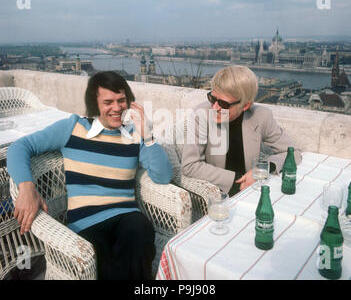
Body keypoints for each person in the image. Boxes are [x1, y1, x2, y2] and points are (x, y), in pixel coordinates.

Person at [7, 71, 173, 280]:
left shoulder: (134, 134)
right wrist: (26, 187)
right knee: (98, 256)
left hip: (127, 217)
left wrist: (147, 135)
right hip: (86, 222)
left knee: (140, 233)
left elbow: (163, 176)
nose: (117, 107)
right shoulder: (73, 127)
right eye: (108, 102)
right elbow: (20, 147)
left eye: (122, 100)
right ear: (95, 105)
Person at [181, 65, 302, 196]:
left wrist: (264, 169)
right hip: (218, 193)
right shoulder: (201, 115)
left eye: (224, 104)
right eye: (212, 98)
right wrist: (237, 181)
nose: (215, 108)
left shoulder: (262, 116)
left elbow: (293, 152)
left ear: (245, 105)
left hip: (253, 189)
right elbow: (189, 165)